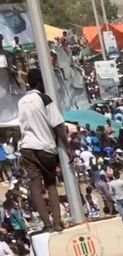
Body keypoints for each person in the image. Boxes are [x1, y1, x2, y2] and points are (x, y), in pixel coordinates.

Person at [17, 67, 70, 231]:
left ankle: (46, 224)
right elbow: (58, 125)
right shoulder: (44, 99)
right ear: (40, 83)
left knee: (35, 186)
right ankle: (56, 223)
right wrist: (68, 148)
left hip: (27, 147)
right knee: (50, 184)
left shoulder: (21, 102)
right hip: (45, 147)